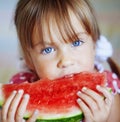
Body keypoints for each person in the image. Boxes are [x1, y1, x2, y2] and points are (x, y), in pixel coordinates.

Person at [1, 0, 120, 122]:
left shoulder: (108, 91)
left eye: (76, 42)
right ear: (29, 60)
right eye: (48, 50)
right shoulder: (19, 94)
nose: (66, 61)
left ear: (94, 45)